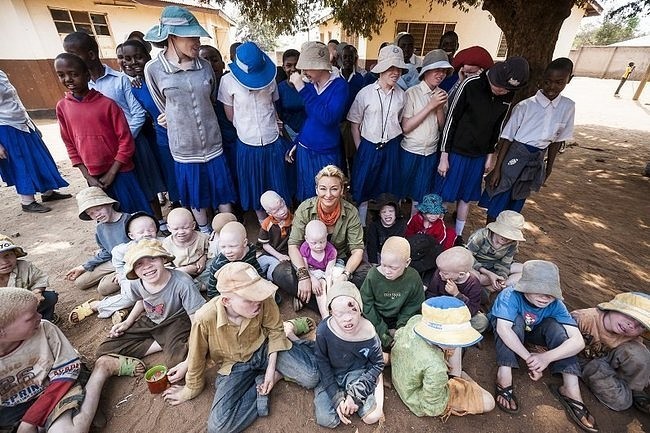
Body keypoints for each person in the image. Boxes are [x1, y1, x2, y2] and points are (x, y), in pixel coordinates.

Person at [160, 262, 319, 433]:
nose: (258, 301)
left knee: (312, 376)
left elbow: (274, 330)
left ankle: (276, 373)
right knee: (218, 428)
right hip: (233, 365)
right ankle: (261, 384)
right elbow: (197, 355)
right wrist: (191, 388)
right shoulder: (204, 318)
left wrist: (271, 370)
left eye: (258, 293)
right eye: (249, 298)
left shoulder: (263, 300)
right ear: (226, 301)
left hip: (264, 349)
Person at [0, 288, 146, 433]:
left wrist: (31, 419)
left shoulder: (44, 328)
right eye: (30, 317)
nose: (40, 317)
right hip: (12, 408)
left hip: (57, 387)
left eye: (37, 311)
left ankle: (102, 369)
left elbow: (66, 373)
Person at [144, 6, 236, 233]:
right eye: (190, 37)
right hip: (184, 148)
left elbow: (212, 99)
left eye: (197, 36)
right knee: (197, 195)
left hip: (214, 143)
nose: (197, 42)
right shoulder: (153, 69)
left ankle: (229, 233)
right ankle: (204, 233)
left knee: (222, 191)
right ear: (171, 37)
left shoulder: (205, 67)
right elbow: (162, 106)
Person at [63, 32, 163, 220]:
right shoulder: (79, 88)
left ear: (91, 55)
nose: (70, 59)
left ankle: (158, 222)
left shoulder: (120, 79)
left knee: (145, 185)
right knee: (114, 192)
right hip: (104, 151)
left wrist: (122, 142)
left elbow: (138, 113)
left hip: (132, 142)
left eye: (75, 54)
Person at [489, 260, 597, 432]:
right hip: (511, 328)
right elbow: (503, 329)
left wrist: (546, 357)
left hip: (533, 332)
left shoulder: (556, 304)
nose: (546, 297)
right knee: (513, 323)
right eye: (539, 290)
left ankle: (571, 388)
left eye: (551, 293)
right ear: (525, 286)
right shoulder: (510, 295)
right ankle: (504, 374)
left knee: (557, 329)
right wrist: (530, 358)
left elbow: (578, 341)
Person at [437, 56, 529, 238]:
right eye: (499, 86)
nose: (501, 91)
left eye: (506, 90)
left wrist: (489, 155)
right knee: (445, 194)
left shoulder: (507, 96)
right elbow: (451, 121)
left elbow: (497, 127)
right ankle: (438, 232)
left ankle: (458, 236)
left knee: (466, 197)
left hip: (478, 155)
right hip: (456, 151)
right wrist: (444, 156)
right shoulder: (470, 84)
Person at [54, 54, 151, 215]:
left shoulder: (107, 105)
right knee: (106, 217)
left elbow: (126, 141)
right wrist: (88, 176)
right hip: (94, 177)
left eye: (74, 74)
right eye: (61, 75)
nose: (68, 79)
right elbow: (69, 143)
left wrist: (112, 172)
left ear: (87, 75)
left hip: (120, 171)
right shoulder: (62, 107)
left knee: (134, 215)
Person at [482, 58, 575, 221]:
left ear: (569, 79)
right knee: (500, 194)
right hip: (515, 156)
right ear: (541, 81)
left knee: (518, 197)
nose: (552, 87)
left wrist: (549, 167)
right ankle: (488, 236)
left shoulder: (568, 107)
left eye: (559, 82)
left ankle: (503, 239)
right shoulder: (526, 106)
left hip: (537, 159)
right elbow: (507, 138)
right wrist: (497, 169)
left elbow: (557, 141)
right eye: (548, 82)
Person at [273, 165, 369, 312]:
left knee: (367, 273)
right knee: (280, 272)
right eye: (323, 188)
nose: (328, 194)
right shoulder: (305, 209)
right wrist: (304, 276)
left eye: (334, 189)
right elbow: (293, 245)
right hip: (309, 263)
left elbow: (357, 250)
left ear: (342, 190)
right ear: (317, 189)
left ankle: (309, 298)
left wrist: (345, 275)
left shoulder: (351, 212)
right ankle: (334, 305)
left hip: (337, 263)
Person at [96, 238, 205, 367]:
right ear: (134, 270)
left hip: (176, 321)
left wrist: (189, 356)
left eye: (152, 259)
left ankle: (170, 340)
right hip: (151, 319)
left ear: (163, 259)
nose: (147, 266)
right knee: (104, 349)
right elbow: (142, 300)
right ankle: (161, 342)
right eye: (139, 264)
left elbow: (196, 320)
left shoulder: (182, 283)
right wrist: (127, 322)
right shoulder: (136, 282)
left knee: (175, 361)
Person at [218, 41, 289, 219]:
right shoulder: (227, 81)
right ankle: (262, 222)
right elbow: (230, 115)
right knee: (254, 185)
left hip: (272, 140)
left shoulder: (270, 79)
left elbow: (273, 106)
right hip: (247, 143)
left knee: (277, 183)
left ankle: (282, 222)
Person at [391, 296, 494, 418]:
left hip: (402, 376)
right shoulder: (437, 368)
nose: (458, 342)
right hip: (416, 398)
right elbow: (432, 408)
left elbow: (398, 334)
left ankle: (458, 376)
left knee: (455, 349)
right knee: (489, 401)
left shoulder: (416, 320)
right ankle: (460, 377)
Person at [348, 45, 407, 223]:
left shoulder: (402, 95)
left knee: (389, 189)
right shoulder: (365, 94)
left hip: (391, 147)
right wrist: (362, 149)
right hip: (368, 146)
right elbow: (354, 124)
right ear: (381, 69)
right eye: (391, 68)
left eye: (398, 68)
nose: (395, 72)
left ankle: (386, 226)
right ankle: (362, 226)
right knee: (363, 188)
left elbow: (401, 121)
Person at [314, 281, 385, 427]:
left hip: (356, 373)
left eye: (352, 311)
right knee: (327, 419)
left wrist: (355, 396)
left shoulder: (369, 333)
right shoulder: (324, 330)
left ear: (360, 309)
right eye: (339, 314)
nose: (347, 319)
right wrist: (336, 397)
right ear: (331, 313)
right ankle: (336, 393)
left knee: (371, 416)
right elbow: (321, 361)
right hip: (331, 373)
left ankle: (377, 383)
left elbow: (377, 363)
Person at [121, 39, 180, 212]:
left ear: (148, 56)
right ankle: (178, 206)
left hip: (184, 133)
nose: (133, 63)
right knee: (170, 173)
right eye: (127, 59)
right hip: (161, 136)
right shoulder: (135, 87)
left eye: (138, 57)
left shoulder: (164, 76)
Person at [0, 69, 71, 213]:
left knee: (39, 158)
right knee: (20, 163)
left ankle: (48, 192)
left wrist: (30, 122)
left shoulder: (1, 73)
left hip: (22, 122)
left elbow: (15, 99)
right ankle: (27, 201)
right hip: (6, 127)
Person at [288, 41, 349, 201]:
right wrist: (297, 141)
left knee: (328, 195)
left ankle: (327, 225)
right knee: (308, 193)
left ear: (320, 66)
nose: (304, 72)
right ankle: (309, 225)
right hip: (305, 149)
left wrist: (301, 89)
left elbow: (328, 118)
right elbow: (312, 118)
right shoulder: (310, 85)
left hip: (327, 151)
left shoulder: (340, 86)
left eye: (307, 68)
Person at [571, 292, 650, 414]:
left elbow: (640, 360)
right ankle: (625, 389)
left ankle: (635, 388)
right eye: (630, 316)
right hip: (586, 362)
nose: (631, 326)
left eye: (641, 326)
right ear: (614, 308)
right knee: (621, 402)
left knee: (641, 355)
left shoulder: (631, 336)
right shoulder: (584, 319)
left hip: (608, 358)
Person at [399, 50, 452, 208]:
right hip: (410, 150)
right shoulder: (412, 93)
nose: (440, 74)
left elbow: (442, 127)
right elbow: (406, 127)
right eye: (437, 70)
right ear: (426, 71)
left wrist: (439, 109)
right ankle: (398, 224)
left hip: (429, 152)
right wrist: (430, 105)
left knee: (420, 194)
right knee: (401, 190)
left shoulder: (442, 95)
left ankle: (414, 226)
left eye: (444, 71)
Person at [88, 212, 161, 324]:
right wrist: (122, 274)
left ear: (156, 230)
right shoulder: (128, 248)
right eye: (141, 232)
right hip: (136, 281)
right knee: (130, 297)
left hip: (158, 281)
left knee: (150, 296)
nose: (146, 234)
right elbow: (116, 255)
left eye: (151, 230)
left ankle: (115, 309)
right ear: (132, 236)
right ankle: (100, 305)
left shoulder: (163, 244)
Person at [361, 236, 424, 352]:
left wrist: (400, 329)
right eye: (384, 265)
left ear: (407, 263)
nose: (387, 271)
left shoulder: (413, 278)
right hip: (376, 317)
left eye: (393, 267)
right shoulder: (373, 275)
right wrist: (383, 331)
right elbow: (366, 304)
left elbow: (413, 306)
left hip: (401, 318)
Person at [65, 187, 128, 303]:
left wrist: (123, 271)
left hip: (129, 263)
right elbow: (105, 251)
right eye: (91, 213)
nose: (96, 215)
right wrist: (83, 267)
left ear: (109, 204)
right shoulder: (100, 227)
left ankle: (125, 280)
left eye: (98, 209)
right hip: (112, 261)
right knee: (80, 282)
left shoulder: (128, 221)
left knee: (104, 288)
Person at [424, 246, 488, 333]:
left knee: (481, 322)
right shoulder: (440, 274)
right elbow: (431, 293)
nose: (440, 274)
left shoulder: (473, 283)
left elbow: (472, 309)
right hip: (441, 311)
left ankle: (455, 332)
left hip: (461, 314)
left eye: (445, 273)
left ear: (461, 275)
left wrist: (457, 294)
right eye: (439, 270)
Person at [0, 235, 58, 321]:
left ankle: (45, 320)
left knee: (50, 297)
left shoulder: (24, 266)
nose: (4, 262)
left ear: (15, 254)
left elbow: (40, 279)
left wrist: (37, 292)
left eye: (8, 255)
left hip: (25, 306)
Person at [466, 210, 525, 291]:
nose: (507, 238)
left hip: (495, 266)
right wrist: (487, 272)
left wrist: (502, 277)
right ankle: (490, 287)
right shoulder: (481, 235)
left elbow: (505, 264)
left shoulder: (513, 244)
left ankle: (496, 285)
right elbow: (467, 256)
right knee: (476, 277)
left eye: (510, 236)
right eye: (504, 233)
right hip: (476, 265)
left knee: (525, 270)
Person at [206, 221, 263, 300]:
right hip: (230, 292)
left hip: (246, 282)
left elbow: (255, 267)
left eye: (232, 246)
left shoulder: (250, 251)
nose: (227, 251)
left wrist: (263, 282)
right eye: (223, 247)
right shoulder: (219, 264)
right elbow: (212, 290)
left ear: (244, 243)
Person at [299, 220, 337, 317]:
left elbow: (329, 273)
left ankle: (333, 308)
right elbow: (305, 268)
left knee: (329, 283)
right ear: (306, 239)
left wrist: (330, 292)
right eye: (314, 243)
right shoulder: (305, 248)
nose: (319, 246)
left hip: (327, 271)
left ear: (326, 236)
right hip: (312, 272)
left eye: (322, 241)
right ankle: (326, 317)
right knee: (320, 285)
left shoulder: (331, 251)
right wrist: (313, 279)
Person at [162, 208, 209, 278]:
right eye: (176, 229)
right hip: (179, 274)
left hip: (201, 270)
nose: (181, 232)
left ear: (193, 225)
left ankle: (198, 284)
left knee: (213, 264)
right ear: (169, 228)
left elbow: (207, 250)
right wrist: (183, 270)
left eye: (185, 228)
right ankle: (197, 285)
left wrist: (202, 259)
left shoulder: (202, 238)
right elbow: (164, 266)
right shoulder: (166, 244)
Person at [257, 191, 293, 280]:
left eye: (282, 206)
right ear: (269, 213)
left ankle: (270, 282)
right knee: (257, 268)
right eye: (276, 211)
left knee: (276, 272)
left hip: (286, 255)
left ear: (283, 201)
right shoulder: (267, 224)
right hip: (270, 253)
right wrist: (278, 255)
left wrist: (282, 257)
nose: (282, 211)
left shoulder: (294, 220)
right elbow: (265, 244)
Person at [365, 193, 407, 265]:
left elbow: (399, 246)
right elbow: (372, 246)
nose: (387, 214)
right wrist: (374, 265)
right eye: (383, 211)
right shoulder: (374, 225)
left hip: (396, 255)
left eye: (391, 211)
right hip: (378, 254)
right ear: (379, 214)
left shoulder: (401, 223)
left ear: (396, 212)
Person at [275, 49, 306, 143]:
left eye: (296, 65)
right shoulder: (279, 89)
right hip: (288, 135)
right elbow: (278, 117)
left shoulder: (309, 87)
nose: (293, 69)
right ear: (283, 67)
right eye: (289, 65)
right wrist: (288, 138)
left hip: (308, 134)